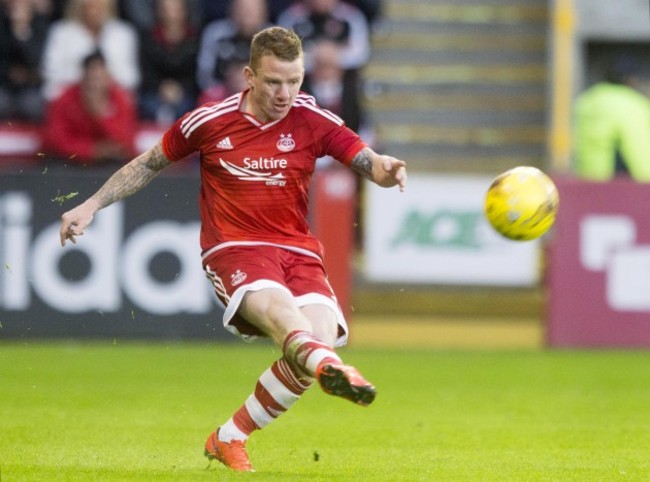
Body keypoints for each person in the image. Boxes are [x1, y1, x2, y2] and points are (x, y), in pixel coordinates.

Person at [58, 26, 407, 472]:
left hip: (297, 251)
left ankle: (230, 436)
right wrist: (91, 205)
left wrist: (384, 168)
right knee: (290, 324)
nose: (286, 93)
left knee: (314, 341)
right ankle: (334, 372)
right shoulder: (209, 121)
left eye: (295, 80)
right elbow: (149, 163)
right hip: (236, 249)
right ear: (249, 76)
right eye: (274, 81)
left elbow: (364, 159)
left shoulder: (311, 118)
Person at [43, 50, 136, 165]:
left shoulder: (120, 99)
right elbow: (56, 140)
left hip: (109, 162)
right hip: (73, 162)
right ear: (83, 77)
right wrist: (91, 150)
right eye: (91, 79)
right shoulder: (65, 99)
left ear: (107, 77)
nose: (94, 86)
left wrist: (100, 116)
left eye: (99, 79)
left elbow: (126, 141)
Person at [41, 0, 139, 101]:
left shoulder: (123, 33)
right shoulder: (61, 32)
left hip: (112, 99)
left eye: (99, 6)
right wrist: (87, 80)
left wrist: (103, 81)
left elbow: (130, 77)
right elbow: (51, 72)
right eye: (90, 6)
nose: (94, 11)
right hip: (70, 97)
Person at [574, 57, 650, 182]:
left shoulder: (587, 100)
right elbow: (640, 151)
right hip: (620, 185)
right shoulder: (634, 103)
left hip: (588, 181)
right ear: (632, 79)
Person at [137, 0, 199, 126]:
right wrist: (161, 87)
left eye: (174, 8)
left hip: (186, 92)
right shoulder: (148, 37)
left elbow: (196, 71)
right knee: (147, 106)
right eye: (165, 9)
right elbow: (146, 71)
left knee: (189, 108)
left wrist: (180, 88)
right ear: (158, 11)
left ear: (184, 10)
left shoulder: (195, 37)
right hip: (155, 91)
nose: (170, 14)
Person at [195, 0, 271, 97]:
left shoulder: (273, 38)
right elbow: (204, 75)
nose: (246, 15)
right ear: (232, 10)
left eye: (252, 11)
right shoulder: (215, 34)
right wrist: (227, 87)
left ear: (264, 13)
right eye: (242, 9)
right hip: (220, 97)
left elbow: (279, 78)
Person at [0, 0, 50, 121]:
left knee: (33, 106)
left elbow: (36, 59)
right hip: (4, 84)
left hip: (30, 85)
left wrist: (21, 30)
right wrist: (9, 74)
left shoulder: (41, 26)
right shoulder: (3, 25)